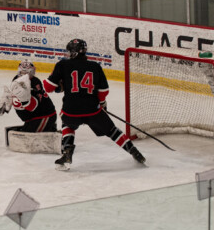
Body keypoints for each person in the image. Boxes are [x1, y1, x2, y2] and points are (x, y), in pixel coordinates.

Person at [43, 39, 146, 171]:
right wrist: (102, 104)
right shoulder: (95, 66)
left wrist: (60, 84)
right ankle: (134, 152)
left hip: (71, 110)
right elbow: (103, 91)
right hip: (93, 110)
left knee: (66, 122)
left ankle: (67, 153)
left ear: (73, 53)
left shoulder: (63, 65)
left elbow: (48, 87)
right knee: (112, 131)